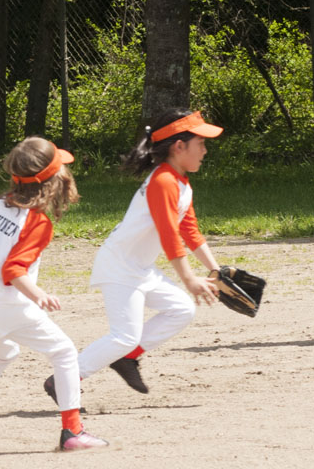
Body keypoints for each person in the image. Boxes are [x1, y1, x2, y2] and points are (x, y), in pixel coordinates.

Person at [0, 137, 109, 452]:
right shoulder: (36, 221)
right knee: (63, 352)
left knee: (2, 352)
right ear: (53, 179)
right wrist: (39, 295)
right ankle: (72, 431)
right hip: (7, 305)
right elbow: (13, 270)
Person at [44, 108, 223, 400]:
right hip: (119, 267)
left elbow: (190, 231)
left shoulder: (180, 181)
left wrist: (217, 271)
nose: (204, 150)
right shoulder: (163, 181)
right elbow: (169, 236)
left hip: (139, 268)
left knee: (181, 309)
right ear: (179, 147)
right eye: (200, 143)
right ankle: (63, 380)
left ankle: (126, 358)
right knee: (123, 336)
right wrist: (190, 279)